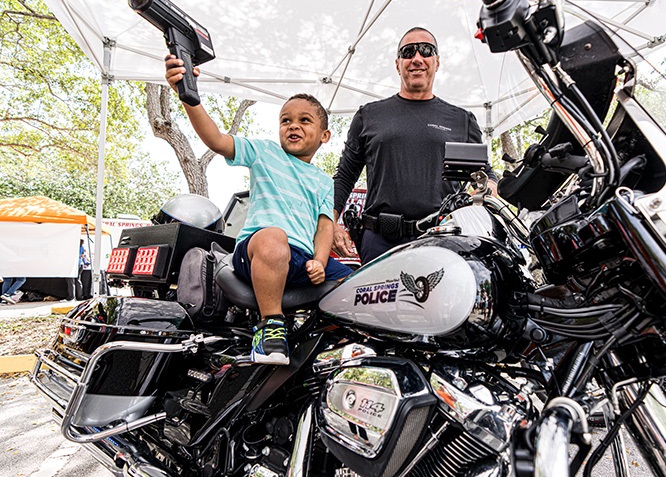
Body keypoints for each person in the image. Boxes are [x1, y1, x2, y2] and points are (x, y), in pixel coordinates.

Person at [165, 55, 352, 365]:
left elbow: (324, 227)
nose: (293, 125)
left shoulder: (322, 180)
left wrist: (320, 260)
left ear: (324, 136)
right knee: (273, 238)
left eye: (305, 120)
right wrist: (189, 97)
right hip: (257, 252)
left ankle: (332, 342)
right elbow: (216, 139)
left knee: (360, 282)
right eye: (286, 120)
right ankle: (270, 329)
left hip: (301, 260)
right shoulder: (264, 152)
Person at [332, 27, 497, 264]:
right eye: (408, 52)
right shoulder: (368, 116)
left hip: (443, 240)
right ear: (397, 64)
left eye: (426, 51)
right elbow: (345, 177)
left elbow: (483, 174)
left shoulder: (462, 121)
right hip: (379, 242)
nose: (417, 59)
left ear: (437, 62)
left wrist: (487, 189)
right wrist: (329, 224)